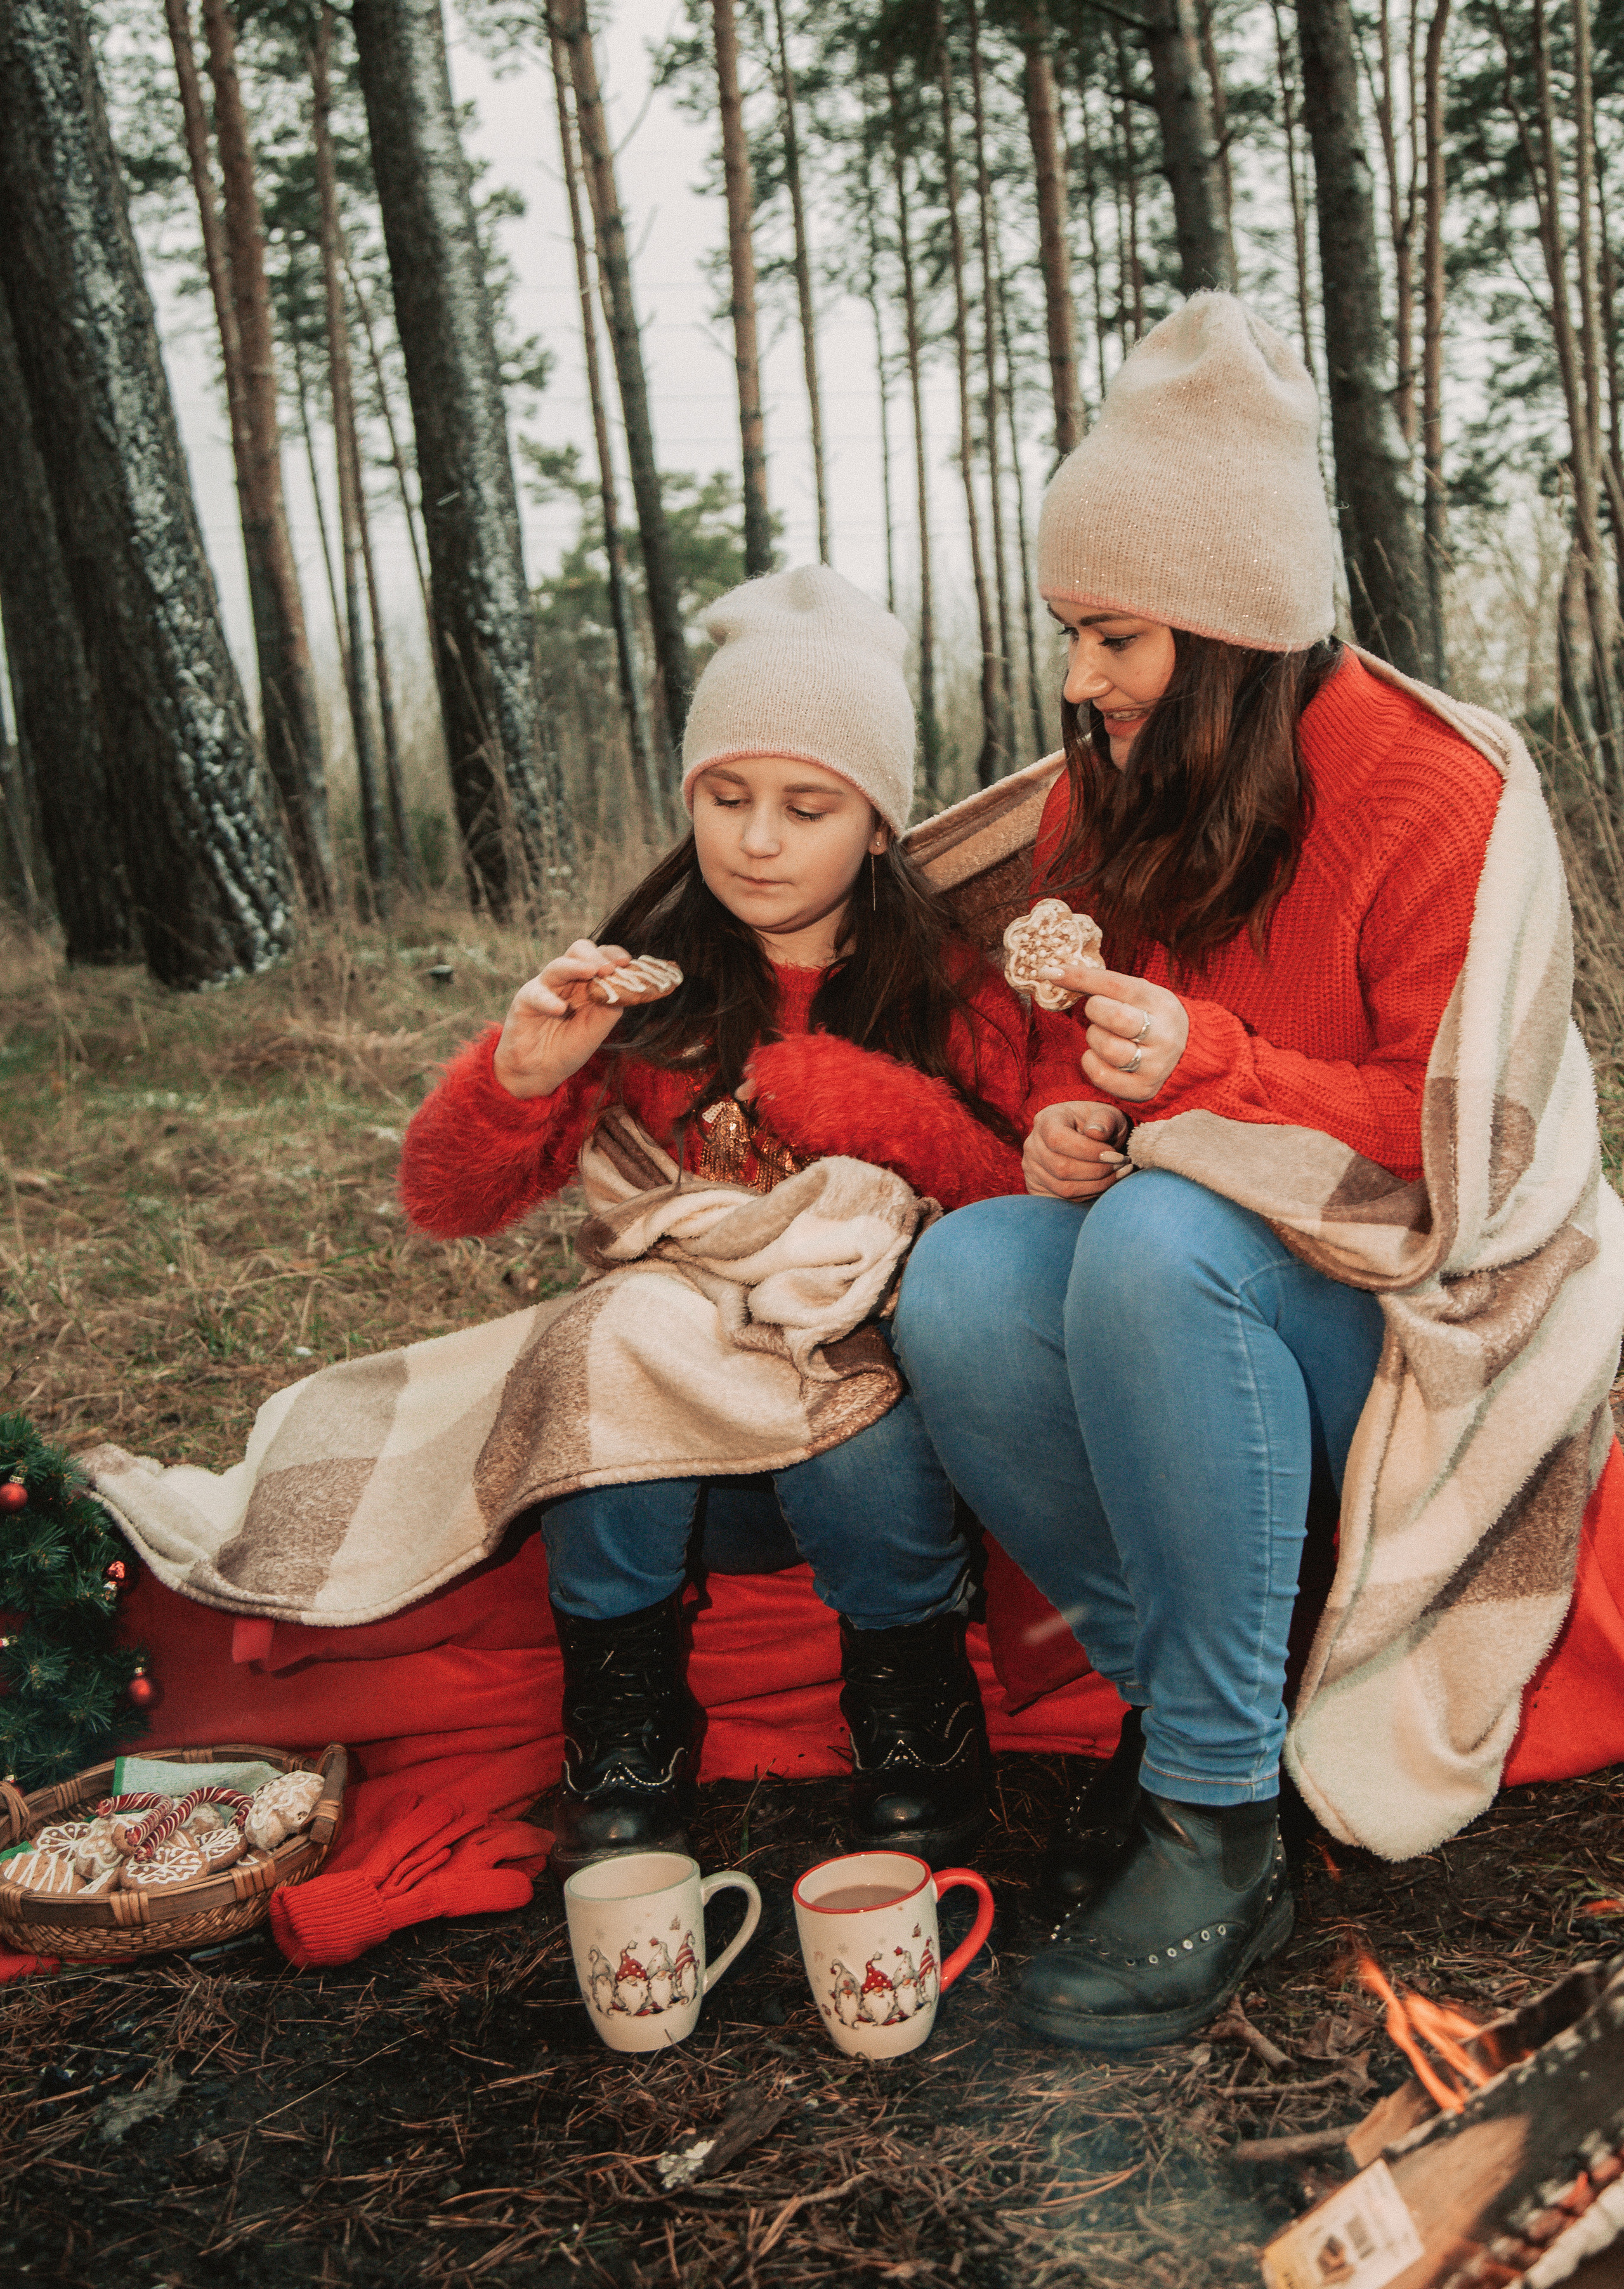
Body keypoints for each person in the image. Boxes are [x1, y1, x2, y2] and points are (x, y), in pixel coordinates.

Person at [891, 292, 1520, 2050]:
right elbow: (1085, 1058)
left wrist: (1213, 1084)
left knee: (1168, 1237)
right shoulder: (1119, 793)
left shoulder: (1430, 793)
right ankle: (1190, 1710)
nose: (1078, 680)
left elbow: (1468, 1129)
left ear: (1235, 630)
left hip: (1395, 1313)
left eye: (1114, 636)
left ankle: (1221, 1820)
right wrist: (1069, 1124)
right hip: (1182, 1277)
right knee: (962, 1278)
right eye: (1073, 635)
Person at [400, 564, 1028, 1877]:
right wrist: (519, 1074)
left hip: (875, 1421)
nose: (755, 841)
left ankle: (910, 1700)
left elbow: (1022, 1218)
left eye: (806, 807)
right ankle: (623, 1716)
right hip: (678, 1454)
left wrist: (863, 1100)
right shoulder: (640, 983)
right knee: (600, 1337)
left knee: (852, 1416)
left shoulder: (950, 982)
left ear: (876, 823)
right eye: (724, 799)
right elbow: (446, 1201)